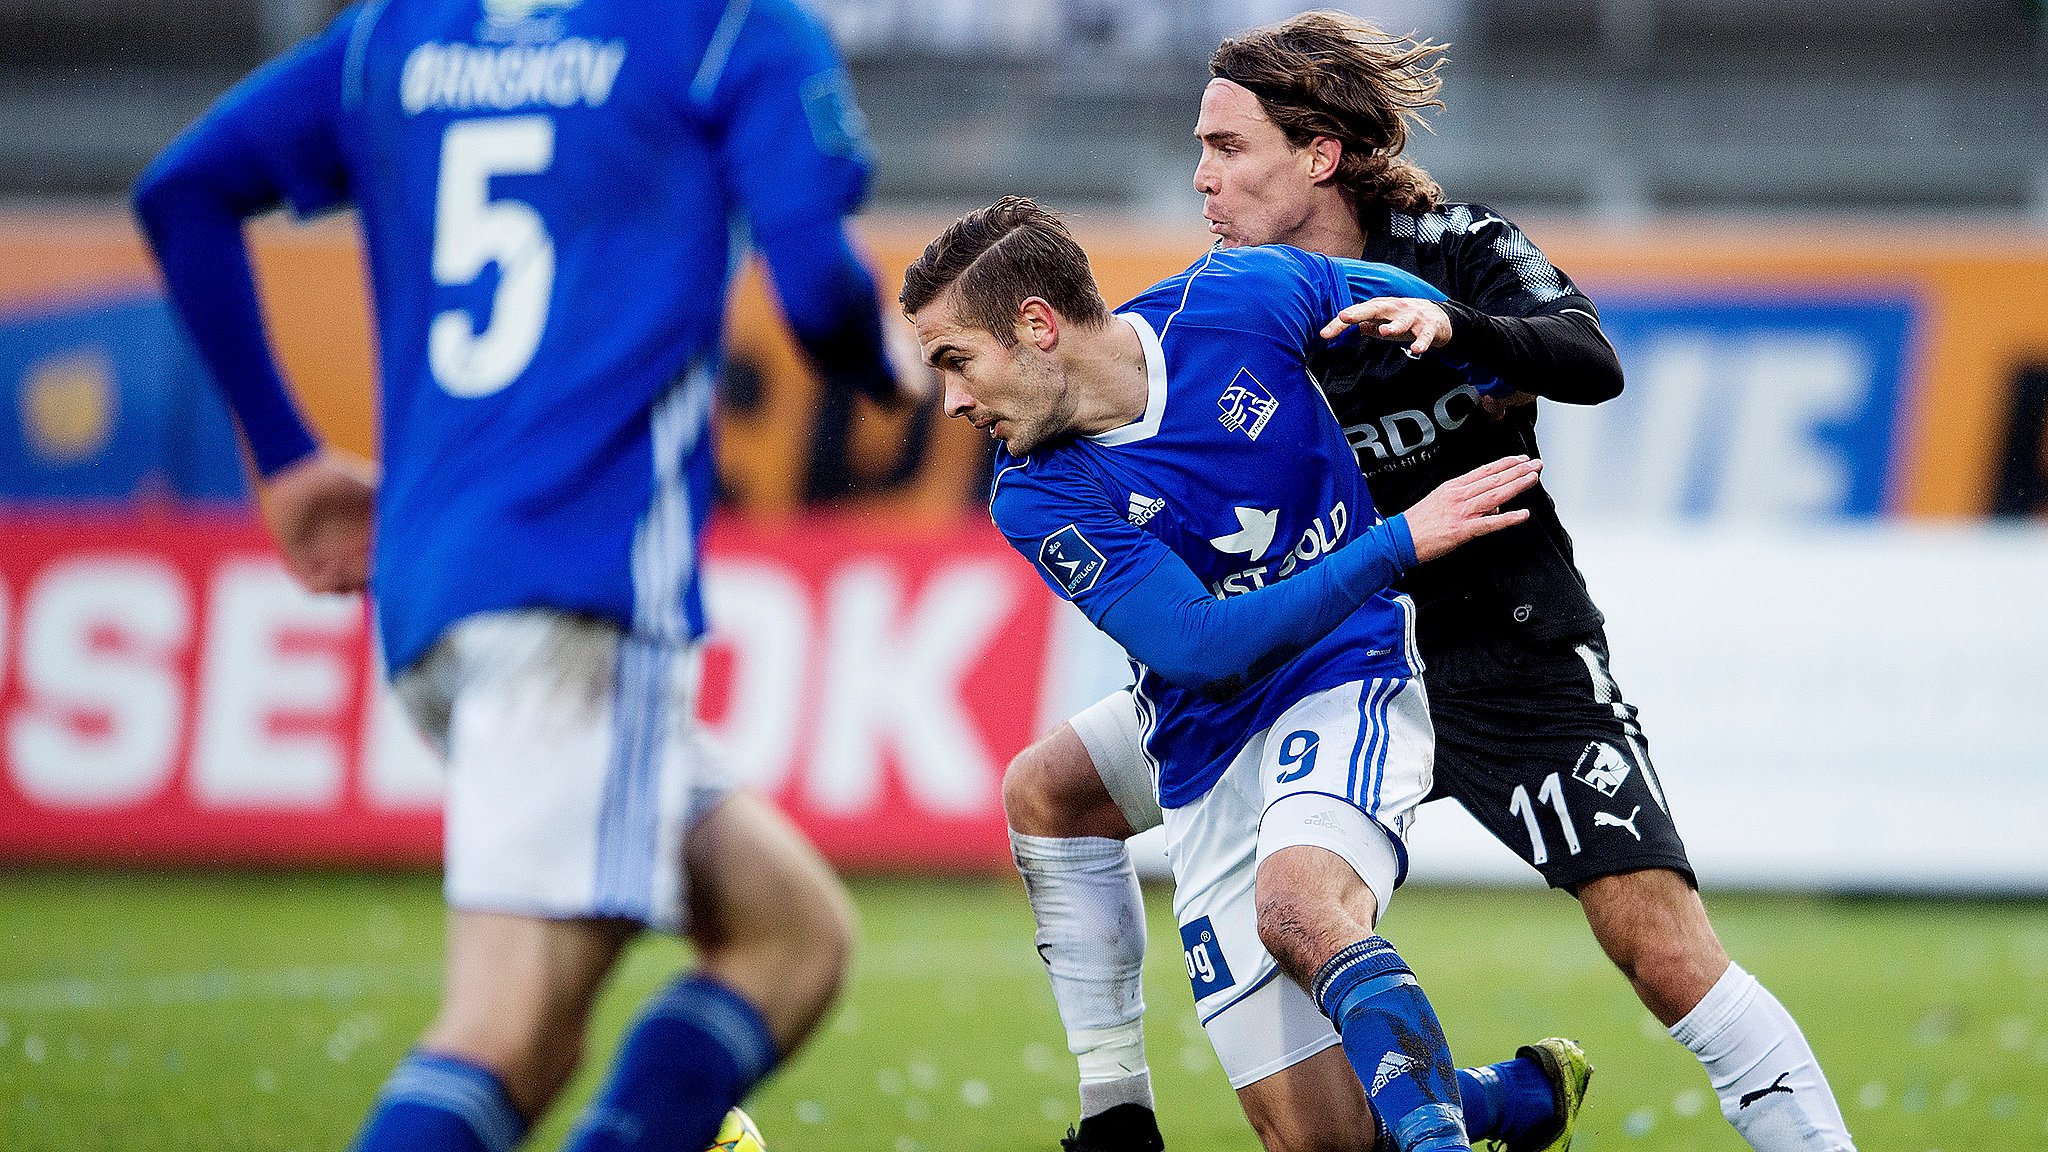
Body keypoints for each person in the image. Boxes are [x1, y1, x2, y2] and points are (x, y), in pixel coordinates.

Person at [1002, 12, 1857, 1152]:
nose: (1198, 176)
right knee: (1052, 794)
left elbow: (1588, 357)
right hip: (1321, 664)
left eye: (1225, 147)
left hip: (1497, 652)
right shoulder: (1231, 303)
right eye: (1197, 148)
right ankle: (1173, 1106)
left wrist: (1461, 330)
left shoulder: (1451, 247)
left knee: (1661, 952)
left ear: (1316, 153)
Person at [132, 1, 911, 1148]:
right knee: (510, 1034)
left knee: (789, 937)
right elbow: (813, 284)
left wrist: (287, 461)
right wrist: (882, 363)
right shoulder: (728, 28)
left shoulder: (396, 37)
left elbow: (182, 191)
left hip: (434, 591)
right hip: (579, 590)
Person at [905, 195, 1584, 1152]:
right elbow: (1199, 647)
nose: (953, 402)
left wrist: (1475, 354)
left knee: (1298, 908)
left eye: (955, 362)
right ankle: (1501, 1102)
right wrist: (1397, 540)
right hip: (1205, 735)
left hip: (1347, 671)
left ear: (1036, 326)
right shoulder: (1038, 491)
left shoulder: (1236, 300)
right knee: (1323, 1140)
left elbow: (1384, 297)